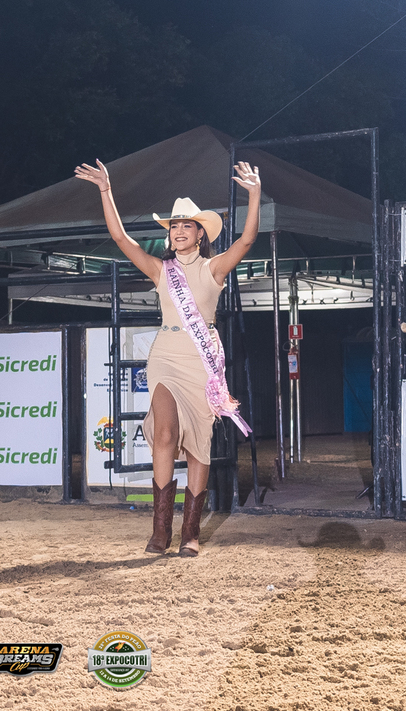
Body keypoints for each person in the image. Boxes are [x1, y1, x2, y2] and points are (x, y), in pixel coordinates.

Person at [74, 158, 261, 556]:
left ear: (200, 233)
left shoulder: (214, 269)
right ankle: (160, 530)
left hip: (201, 361)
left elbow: (246, 241)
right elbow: (121, 239)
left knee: (199, 445)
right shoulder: (162, 270)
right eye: (173, 226)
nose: (178, 231)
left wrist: (255, 195)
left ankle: (190, 532)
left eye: (186, 226)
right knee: (164, 434)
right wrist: (106, 190)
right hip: (165, 357)